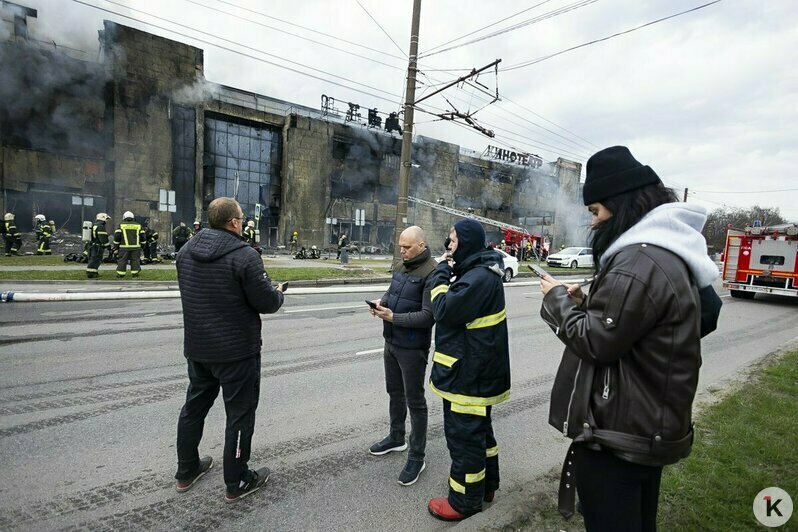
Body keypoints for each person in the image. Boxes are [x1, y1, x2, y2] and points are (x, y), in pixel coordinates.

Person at [538, 146, 721, 530]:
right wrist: (591, 301)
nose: (592, 223)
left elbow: (596, 342)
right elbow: (669, 319)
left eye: (596, 211)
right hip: (645, 429)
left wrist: (556, 299)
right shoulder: (668, 251)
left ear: (622, 207)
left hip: (617, 438)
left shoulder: (637, 261)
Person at [174, 197, 285, 503]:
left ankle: (186, 470)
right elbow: (267, 303)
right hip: (237, 353)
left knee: (194, 408)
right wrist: (277, 293)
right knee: (239, 416)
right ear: (234, 222)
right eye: (242, 217)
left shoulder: (185, 252)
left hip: (198, 349)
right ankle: (236, 481)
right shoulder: (245, 256)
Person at [425, 218, 511, 521]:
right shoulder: (478, 273)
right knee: (481, 435)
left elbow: (444, 310)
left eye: (453, 239)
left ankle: (463, 501)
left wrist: (439, 273)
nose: (449, 245)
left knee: (464, 439)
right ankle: (486, 486)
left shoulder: (477, 278)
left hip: (468, 378)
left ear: (467, 242)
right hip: (476, 373)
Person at [367, 226, 437, 486]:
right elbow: (392, 292)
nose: (402, 251)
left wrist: (393, 317)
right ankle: (396, 437)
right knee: (394, 393)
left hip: (412, 348)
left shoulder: (432, 271)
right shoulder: (400, 265)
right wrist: (381, 304)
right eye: (400, 246)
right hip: (392, 342)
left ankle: (417, 456)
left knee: (415, 401)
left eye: (407, 247)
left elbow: (429, 316)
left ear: (421, 244)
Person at [113, 211, 143, 279]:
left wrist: (116, 246)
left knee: (122, 260)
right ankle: (135, 274)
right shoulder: (138, 225)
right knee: (135, 260)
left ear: (124, 217)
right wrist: (143, 245)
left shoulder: (121, 225)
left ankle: (120, 274)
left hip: (124, 247)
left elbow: (117, 237)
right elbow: (143, 237)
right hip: (136, 248)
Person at [86, 213, 111, 278]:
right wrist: (108, 246)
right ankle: (91, 274)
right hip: (97, 247)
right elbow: (103, 238)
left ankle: (94, 273)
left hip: (92, 245)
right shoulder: (100, 226)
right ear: (103, 218)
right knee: (96, 260)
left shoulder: (95, 225)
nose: (106, 221)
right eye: (106, 219)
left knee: (94, 259)